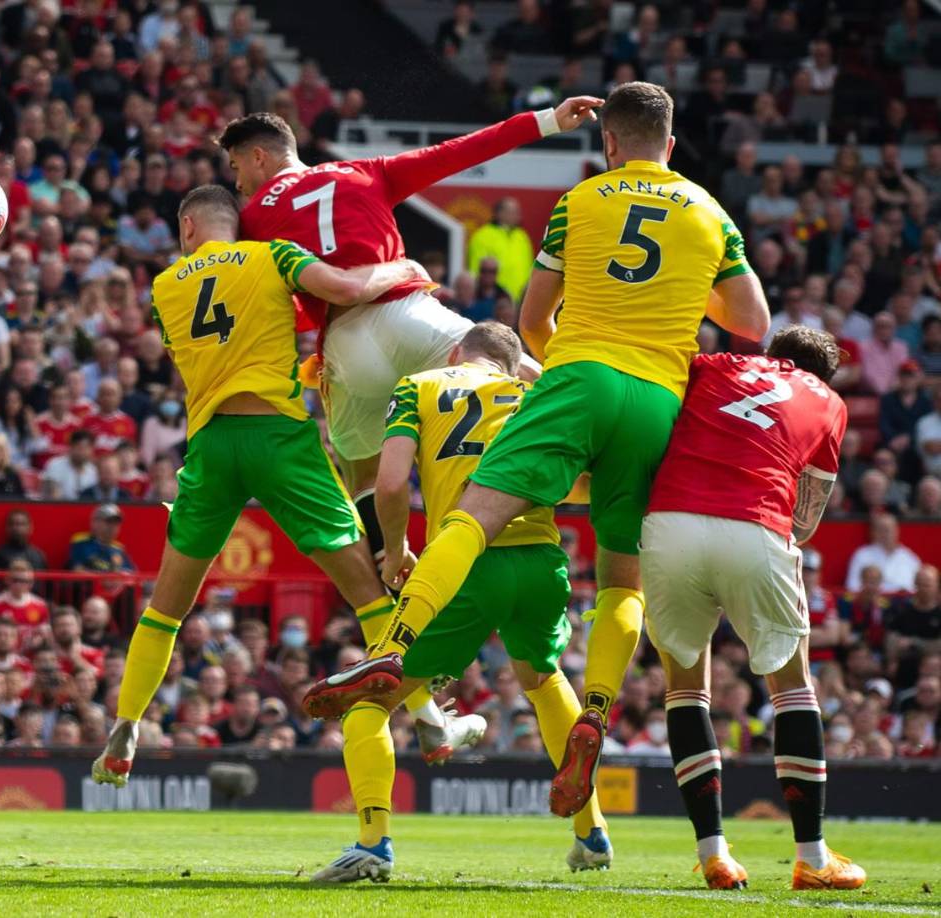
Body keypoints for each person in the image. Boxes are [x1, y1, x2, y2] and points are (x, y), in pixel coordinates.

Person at [305, 82, 770, 821]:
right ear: (671, 145)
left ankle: (396, 645)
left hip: (581, 374)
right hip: (658, 398)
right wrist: (684, 292)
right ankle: (595, 709)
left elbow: (531, 318)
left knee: (474, 511)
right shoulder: (711, 212)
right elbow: (752, 321)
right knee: (623, 579)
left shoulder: (582, 203)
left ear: (609, 144)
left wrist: (568, 365)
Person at [90, 186, 477, 789]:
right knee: (366, 590)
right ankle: (430, 718)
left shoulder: (163, 290)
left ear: (188, 227)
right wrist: (402, 268)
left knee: (166, 606)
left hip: (212, 444)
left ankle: (126, 724)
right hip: (278, 439)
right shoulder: (273, 256)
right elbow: (347, 291)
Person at [218, 96, 601, 567]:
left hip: (344, 344)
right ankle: (605, 440)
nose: (238, 182)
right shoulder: (365, 171)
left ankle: (390, 566)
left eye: (237, 166)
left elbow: (270, 305)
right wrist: (547, 120)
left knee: (360, 472)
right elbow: (462, 150)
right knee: (510, 365)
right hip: (409, 314)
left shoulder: (252, 221)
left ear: (260, 156)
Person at [310, 323, 609, 884]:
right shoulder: (534, 396)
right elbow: (583, 483)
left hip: (465, 560)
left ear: (455, 353)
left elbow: (393, 483)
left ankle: (372, 844)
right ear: (515, 365)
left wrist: (397, 550)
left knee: (370, 702)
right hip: (542, 561)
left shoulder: (418, 385)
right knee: (543, 681)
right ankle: (590, 833)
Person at [639, 326, 864, 890]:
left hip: (669, 522)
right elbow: (808, 516)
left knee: (685, 689)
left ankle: (714, 853)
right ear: (823, 375)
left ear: (771, 356)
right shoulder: (830, 403)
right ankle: (812, 858)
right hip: (757, 523)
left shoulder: (715, 365)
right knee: (792, 689)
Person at [466, 197, 535, 302]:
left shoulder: (522, 236)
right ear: (498, 213)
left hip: (522, 300)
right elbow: (475, 270)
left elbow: (531, 268)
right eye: (512, 211)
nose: (517, 215)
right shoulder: (483, 236)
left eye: (517, 211)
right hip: (494, 299)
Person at [845, 513, 922, 593]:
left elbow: (919, 589)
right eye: (881, 529)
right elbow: (852, 586)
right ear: (873, 532)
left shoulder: (910, 558)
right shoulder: (862, 556)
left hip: (904, 603)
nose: (886, 534)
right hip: (873, 603)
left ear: (897, 530)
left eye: (889, 529)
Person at [68, 503, 136, 573]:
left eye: (116, 523)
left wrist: (116, 571)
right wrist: (108, 577)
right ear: (95, 522)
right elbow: (78, 571)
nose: (113, 526)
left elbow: (132, 575)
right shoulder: (81, 542)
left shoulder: (119, 549)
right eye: (109, 521)